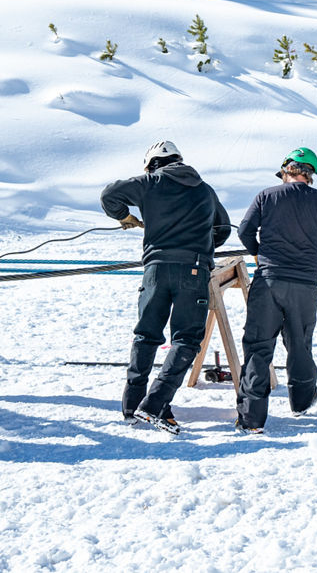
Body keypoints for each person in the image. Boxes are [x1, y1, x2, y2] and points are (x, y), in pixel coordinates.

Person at [100, 140, 230, 434]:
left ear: (152, 163)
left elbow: (109, 195)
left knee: (146, 335)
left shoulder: (150, 183)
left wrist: (125, 217)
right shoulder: (204, 190)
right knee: (186, 339)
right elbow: (222, 228)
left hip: (155, 269)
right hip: (194, 269)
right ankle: (155, 404)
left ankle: (133, 404)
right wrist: (202, 241)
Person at [235, 148, 317, 433]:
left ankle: (251, 419)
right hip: (305, 284)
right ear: (311, 175)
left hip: (269, 280)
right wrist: (311, 237)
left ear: (286, 170)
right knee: (300, 343)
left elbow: (245, 230)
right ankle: (301, 401)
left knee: (259, 347)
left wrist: (260, 254)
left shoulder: (266, 195)